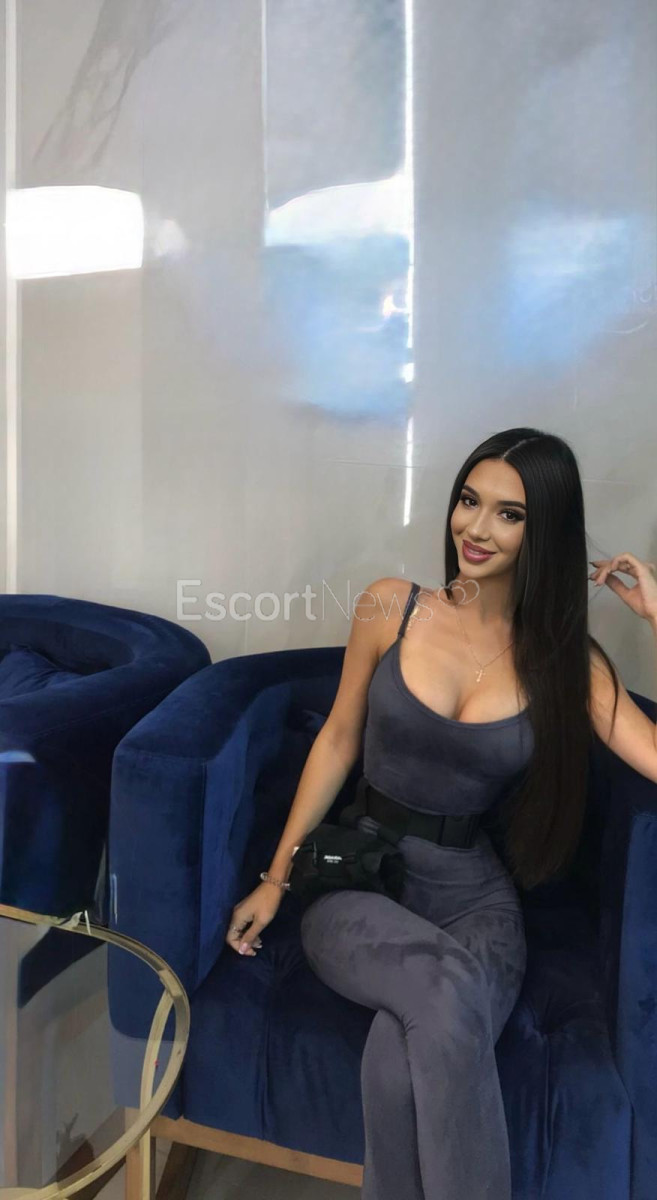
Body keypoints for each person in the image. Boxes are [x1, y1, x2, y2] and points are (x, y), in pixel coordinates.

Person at [224, 426, 657, 1200]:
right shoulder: (391, 607)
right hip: (358, 876)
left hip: (476, 898)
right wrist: (276, 876)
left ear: (544, 531)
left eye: (508, 514)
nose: (476, 528)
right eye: (468, 500)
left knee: (398, 1061)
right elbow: (337, 739)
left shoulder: (567, 665)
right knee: (445, 988)